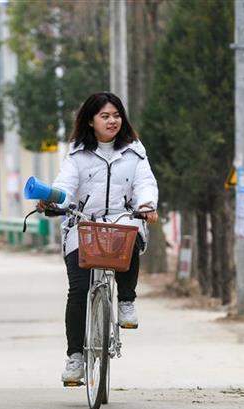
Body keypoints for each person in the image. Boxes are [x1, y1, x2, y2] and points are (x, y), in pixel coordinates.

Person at [39, 91, 159, 384]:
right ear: (91, 121)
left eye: (116, 115)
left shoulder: (135, 151)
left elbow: (145, 183)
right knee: (78, 291)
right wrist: (53, 200)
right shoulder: (77, 153)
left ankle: (126, 301)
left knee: (128, 231)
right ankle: (75, 358)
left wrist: (146, 206)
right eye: (105, 116)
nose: (112, 121)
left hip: (120, 217)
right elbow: (65, 185)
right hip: (84, 223)